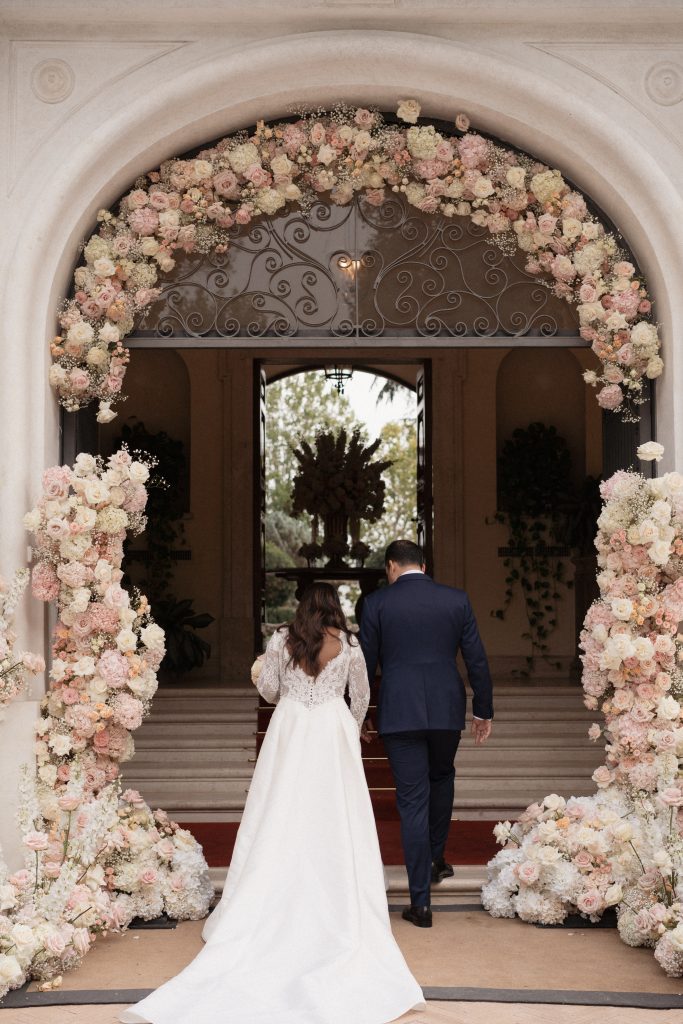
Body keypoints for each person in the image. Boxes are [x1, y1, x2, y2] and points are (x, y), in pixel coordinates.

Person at [118, 581, 425, 1024]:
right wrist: (348, 728)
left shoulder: (282, 640)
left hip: (292, 728)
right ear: (335, 606)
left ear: (302, 606)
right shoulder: (351, 644)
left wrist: (269, 677)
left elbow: (269, 692)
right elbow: (361, 698)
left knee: (280, 809)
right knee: (336, 814)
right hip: (332, 731)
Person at [359, 539, 493, 929]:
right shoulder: (456, 600)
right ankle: (436, 859)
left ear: (391, 567)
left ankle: (422, 902)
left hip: (399, 710)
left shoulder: (377, 604)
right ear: (423, 564)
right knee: (443, 777)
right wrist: (482, 709)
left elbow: (365, 666)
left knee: (412, 800)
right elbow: (476, 659)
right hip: (446, 707)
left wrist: (363, 714)